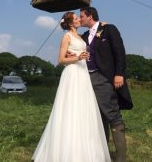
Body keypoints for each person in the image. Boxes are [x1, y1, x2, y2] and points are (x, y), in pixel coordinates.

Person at [32, 12, 111, 162]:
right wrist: (77, 57)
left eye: (78, 17)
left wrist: (102, 26)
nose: (79, 20)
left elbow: (95, 32)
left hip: (83, 74)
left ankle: (85, 147)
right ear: (69, 23)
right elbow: (61, 59)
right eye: (75, 18)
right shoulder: (66, 37)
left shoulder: (81, 36)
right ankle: (67, 150)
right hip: (72, 74)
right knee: (70, 107)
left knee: (83, 107)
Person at [79, 7, 133, 162]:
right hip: (86, 79)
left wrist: (119, 73)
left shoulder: (109, 29)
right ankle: (103, 154)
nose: (80, 19)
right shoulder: (83, 36)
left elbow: (119, 52)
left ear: (90, 17)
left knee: (112, 114)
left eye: (82, 16)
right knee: (98, 116)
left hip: (104, 78)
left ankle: (121, 158)